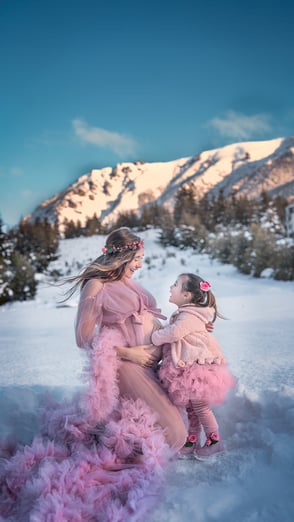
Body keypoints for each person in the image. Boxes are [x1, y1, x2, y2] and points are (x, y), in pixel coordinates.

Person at [73, 226, 187, 451]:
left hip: (149, 366)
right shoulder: (96, 285)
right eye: (136, 259)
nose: (139, 265)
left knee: (178, 428)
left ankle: (113, 433)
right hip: (126, 366)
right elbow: (83, 338)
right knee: (175, 436)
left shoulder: (128, 282)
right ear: (122, 256)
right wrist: (129, 353)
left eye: (141, 259)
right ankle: (109, 443)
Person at [150, 273, 236, 458]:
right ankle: (191, 441)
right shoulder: (188, 313)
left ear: (186, 295)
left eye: (175, 285)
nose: (170, 287)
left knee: (201, 407)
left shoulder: (189, 315)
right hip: (188, 367)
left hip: (196, 370)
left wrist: (155, 337)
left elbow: (175, 332)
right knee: (192, 408)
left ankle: (215, 443)